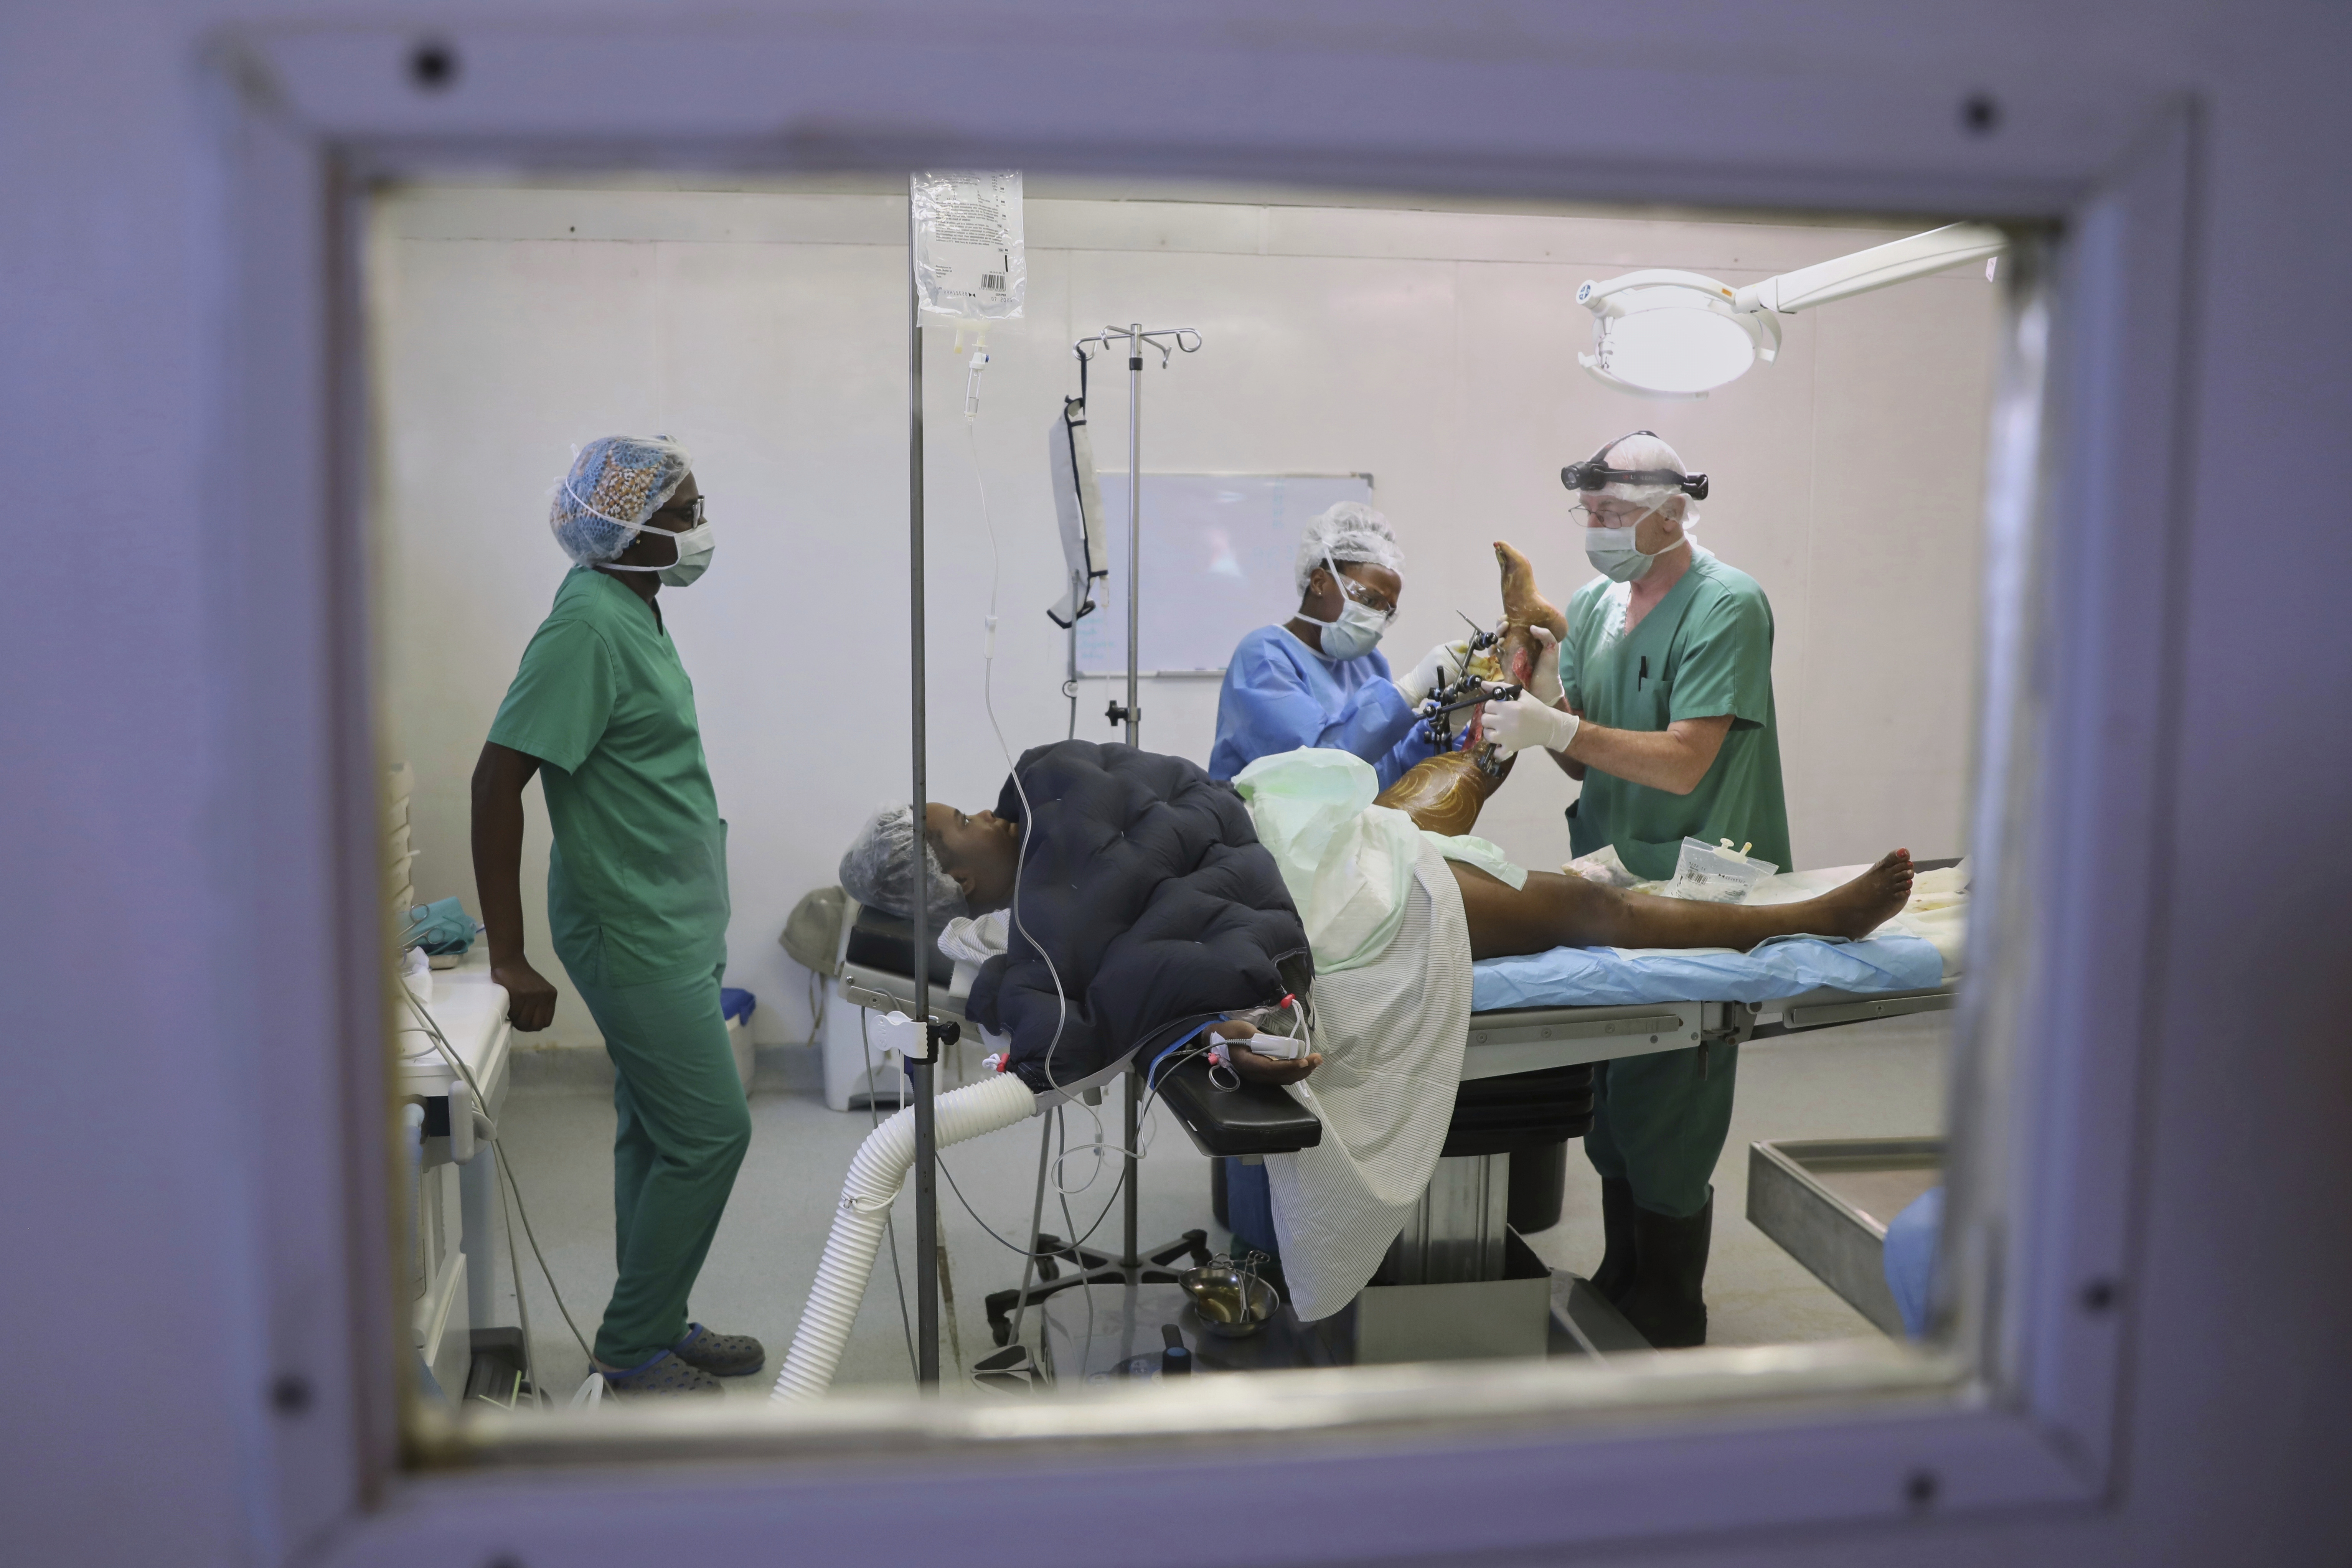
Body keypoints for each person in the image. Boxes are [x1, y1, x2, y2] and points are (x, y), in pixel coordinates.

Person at [844, 745, 1910, 1320]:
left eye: (959, 810)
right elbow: (1086, 1018)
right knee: (1588, 914)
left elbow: (1181, 806)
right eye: (956, 836)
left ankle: (1722, 903)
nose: (979, 819)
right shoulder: (1043, 935)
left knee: (1520, 868)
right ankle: (1811, 917)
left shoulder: (1045, 796)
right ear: (955, 884)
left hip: (1295, 833)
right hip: (1344, 898)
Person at [1477, 431, 1796, 1348]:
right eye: (1588, 510)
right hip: (1619, 868)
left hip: (1709, 873)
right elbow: (1592, 758)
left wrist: (1554, 729)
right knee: (1613, 1102)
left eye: (1615, 514)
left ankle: (1668, 1300)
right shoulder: (1594, 602)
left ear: (1672, 511)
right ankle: (1622, 1275)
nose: (1596, 527)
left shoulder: (1725, 604)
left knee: (1667, 1092)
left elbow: (1685, 756)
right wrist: (1547, 700)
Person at [470, 435, 760, 1399]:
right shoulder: (589, 623)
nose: (700, 529)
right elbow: (496, 777)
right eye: (683, 515)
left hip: (671, 914)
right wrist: (508, 955)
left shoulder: (636, 605)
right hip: (629, 925)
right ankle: (631, 1343)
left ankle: (660, 1312)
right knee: (713, 1131)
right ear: (626, 531)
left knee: (655, 1128)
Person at [1208, 502, 1473, 790]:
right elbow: (1317, 769)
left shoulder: (1369, 663)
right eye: (1369, 600)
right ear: (1320, 581)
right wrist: (1408, 691)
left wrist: (1447, 721)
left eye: (1387, 611)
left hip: (1356, 830)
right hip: (1270, 832)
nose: (1377, 619)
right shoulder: (1263, 658)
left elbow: (1394, 768)